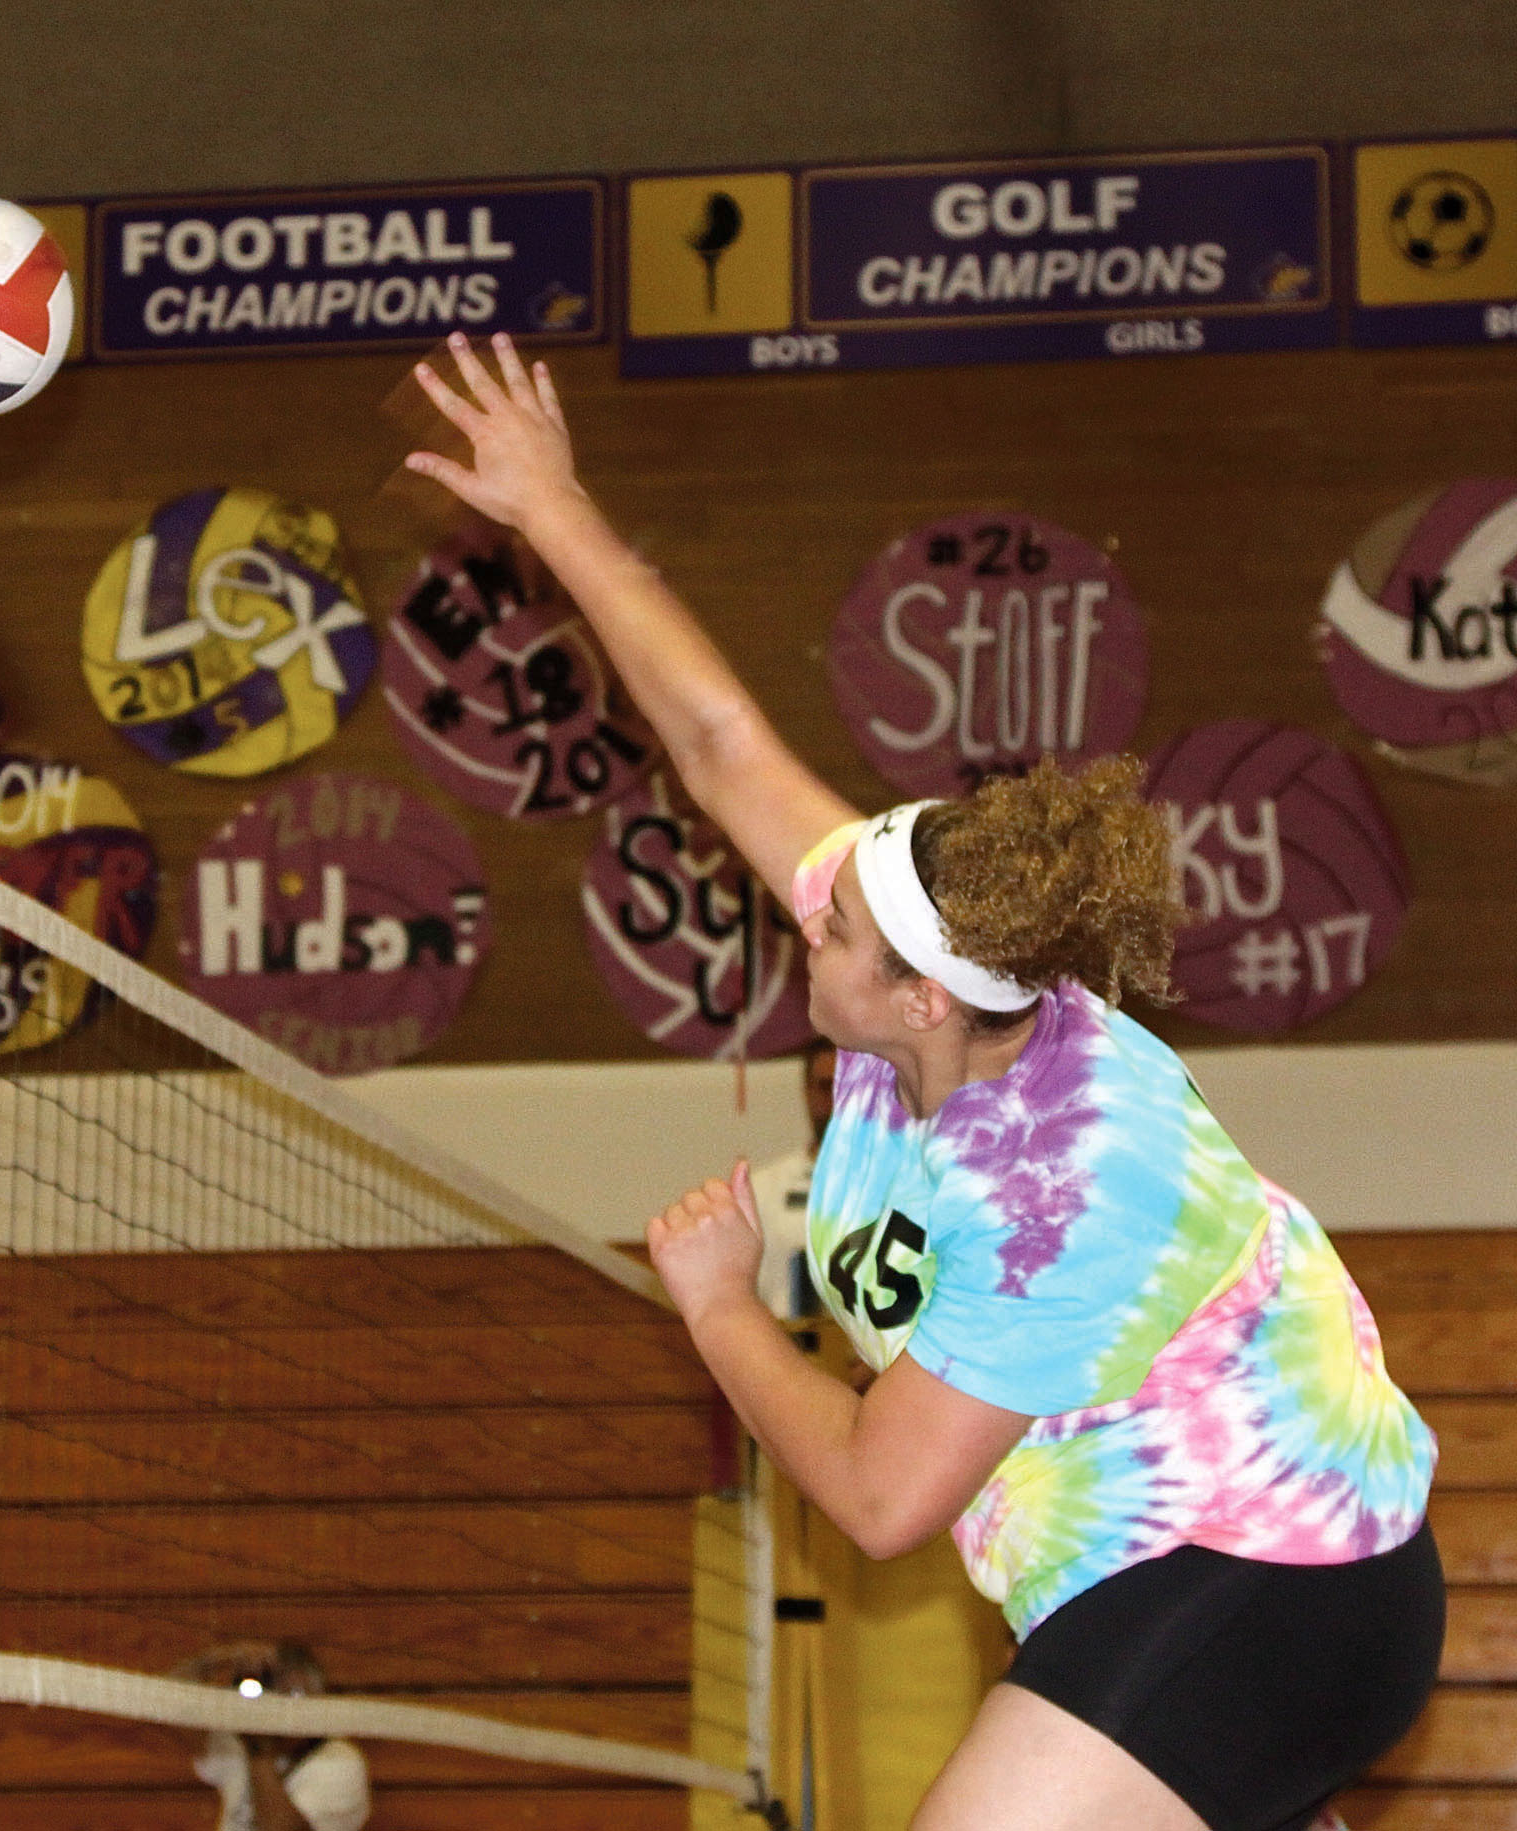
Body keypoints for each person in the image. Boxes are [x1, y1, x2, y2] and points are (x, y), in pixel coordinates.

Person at [405, 332, 1441, 1831]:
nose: (803, 907)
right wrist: (550, 504)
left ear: (917, 995)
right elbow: (717, 740)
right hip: (1134, 1571)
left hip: (1280, 1579)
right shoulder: (938, 984)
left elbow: (885, 1502)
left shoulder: (1067, 1189)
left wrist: (715, 1301)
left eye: (834, 923)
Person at [173, 1642, 370, 1831]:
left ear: (317, 1698)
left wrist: (259, 1750)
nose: (284, 1708)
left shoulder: (338, 1761)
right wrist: (220, 1659)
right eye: (274, 1692)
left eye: (294, 1695)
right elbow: (170, 1706)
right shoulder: (241, 1743)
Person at [747, 1039, 834, 1319]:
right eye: (826, 1087)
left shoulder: (905, 1187)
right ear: (807, 1093)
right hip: (784, 1352)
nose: (837, 1102)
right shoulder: (761, 1190)